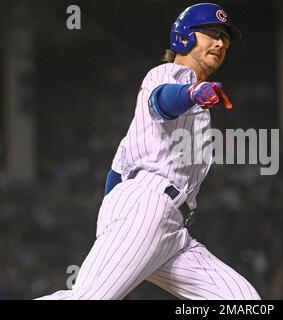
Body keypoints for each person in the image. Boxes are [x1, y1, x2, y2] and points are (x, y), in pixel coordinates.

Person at [36, 3, 261, 300]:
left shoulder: (159, 122)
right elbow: (162, 101)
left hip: (169, 227)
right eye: (211, 32)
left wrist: (116, 219)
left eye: (225, 38)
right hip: (150, 208)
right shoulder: (169, 74)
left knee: (242, 301)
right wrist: (191, 94)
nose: (220, 42)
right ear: (184, 37)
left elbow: (117, 173)